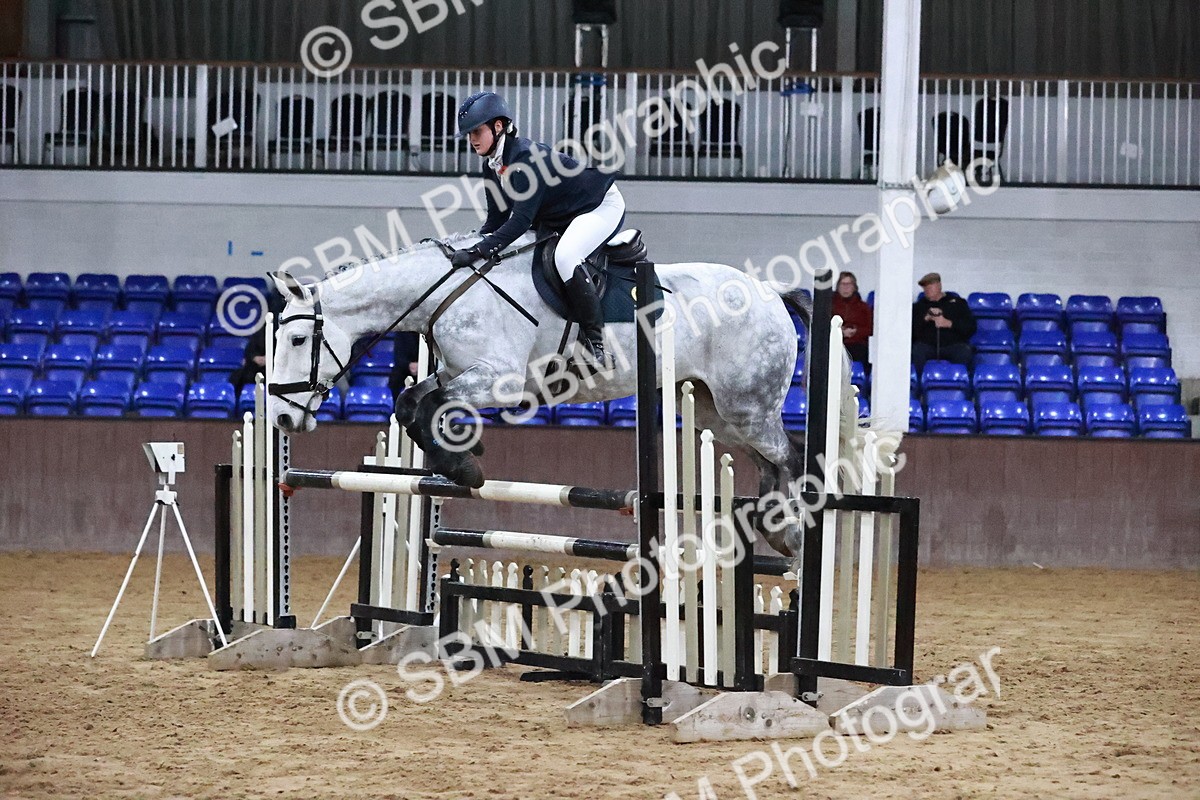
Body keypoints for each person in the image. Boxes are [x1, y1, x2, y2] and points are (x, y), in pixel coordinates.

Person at [449, 91, 624, 369]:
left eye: (477, 131)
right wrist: (473, 245)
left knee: (566, 257)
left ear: (498, 126)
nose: (472, 140)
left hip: (599, 205)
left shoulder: (525, 159)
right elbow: (496, 220)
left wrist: (477, 251)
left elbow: (519, 223)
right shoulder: (492, 166)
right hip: (562, 214)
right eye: (469, 134)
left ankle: (596, 347)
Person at [911, 272, 976, 371]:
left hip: (953, 344)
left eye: (930, 287)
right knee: (916, 351)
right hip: (927, 345)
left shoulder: (958, 303)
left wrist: (949, 323)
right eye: (925, 288)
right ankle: (920, 381)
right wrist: (925, 319)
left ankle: (957, 381)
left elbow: (970, 327)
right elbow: (911, 332)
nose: (927, 291)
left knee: (964, 351)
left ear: (939, 286)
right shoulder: (919, 306)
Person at [832, 271, 873, 369]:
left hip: (857, 344)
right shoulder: (830, 306)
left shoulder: (863, 307)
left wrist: (855, 332)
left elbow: (870, 329)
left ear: (854, 287)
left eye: (849, 284)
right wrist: (840, 332)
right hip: (836, 343)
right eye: (843, 284)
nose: (846, 287)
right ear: (838, 287)